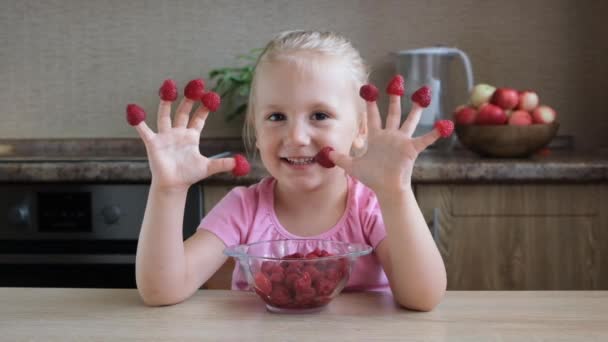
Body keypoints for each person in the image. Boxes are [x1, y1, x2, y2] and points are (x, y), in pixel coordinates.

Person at [133, 30, 449, 311]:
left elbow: (423, 297)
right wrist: (168, 191)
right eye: (276, 117)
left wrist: (396, 193)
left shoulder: (371, 208)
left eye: (320, 115)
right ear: (255, 129)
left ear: (361, 129)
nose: (296, 137)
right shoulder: (242, 209)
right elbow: (161, 291)